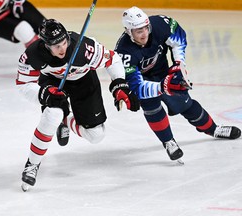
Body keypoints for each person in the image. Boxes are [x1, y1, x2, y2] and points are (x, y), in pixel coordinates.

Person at [15, 19, 187, 191]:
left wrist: (120, 84)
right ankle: (32, 164)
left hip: (84, 82)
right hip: (53, 83)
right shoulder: (32, 56)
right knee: (52, 115)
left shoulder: (84, 48)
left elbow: (113, 60)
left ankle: (65, 120)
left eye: (64, 42)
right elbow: (23, 84)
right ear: (45, 45)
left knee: (96, 135)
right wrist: (43, 94)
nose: (63, 49)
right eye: (56, 46)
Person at [114, 6, 241, 163]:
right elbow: (137, 87)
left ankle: (213, 129)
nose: (144, 33)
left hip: (162, 72)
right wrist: (162, 87)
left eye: (145, 28)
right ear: (128, 31)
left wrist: (178, 63)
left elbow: (179, 39)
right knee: (151, 108)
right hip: (144, 81)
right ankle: (168, 142)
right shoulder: (123, 53)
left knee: (185, 104)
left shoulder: (160, 24)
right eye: (139, 31)